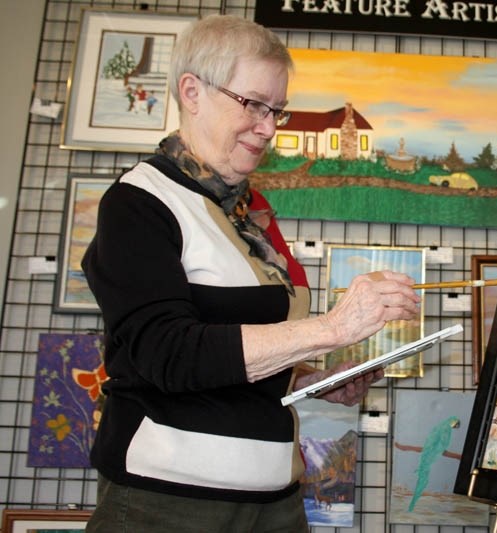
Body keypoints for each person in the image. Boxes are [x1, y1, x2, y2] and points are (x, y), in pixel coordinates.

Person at [81, 14, 420, 533]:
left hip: (275, 497)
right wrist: (332, 330)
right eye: (253, 105)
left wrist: (313, 378)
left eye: (276, 111)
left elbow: (246, 357)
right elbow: (167, 353)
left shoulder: (252, 213)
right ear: (191, 91)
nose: (268, 128)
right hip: (168, 503)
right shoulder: (140, 202)